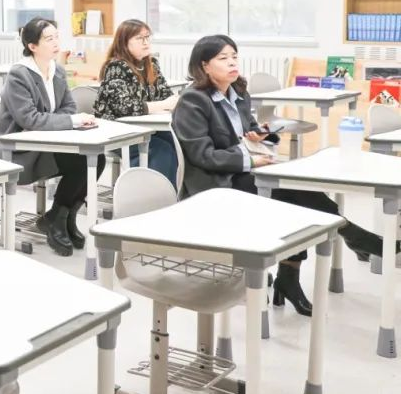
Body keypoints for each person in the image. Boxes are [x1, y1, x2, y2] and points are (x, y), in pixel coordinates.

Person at [172, 34, 395, 316]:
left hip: (244, 171)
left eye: (234, 57)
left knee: (300, 191)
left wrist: (262, 136)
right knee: (293, 195)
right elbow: (201, 155)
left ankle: (302, 268)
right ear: (204, 66)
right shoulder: (193, 101)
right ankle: (348, 237)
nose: (232, 63)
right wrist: (249, 158)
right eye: (223, 58)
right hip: (215, 183)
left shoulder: (238, 92)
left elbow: (250, 130)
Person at [0, 17, 103, 257]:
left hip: (49, 143)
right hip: (20, 151)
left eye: (57, 37)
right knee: (81, 163)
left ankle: (61, 216)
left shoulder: (58, 71)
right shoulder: (19, 75)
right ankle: (56, 218)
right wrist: (71, 122)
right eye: (49, 39)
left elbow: (68, 107)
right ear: (32, 46)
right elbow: (30, 120)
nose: (56, 43)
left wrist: (64, 120)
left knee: (97, 160)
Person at [93, 19, 179, 187]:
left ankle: (176, 194)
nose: (146, 42)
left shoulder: (151, 63)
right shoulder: (116, 67)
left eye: (148, 37)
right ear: (125, 42)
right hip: (118, 132)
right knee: (162, 150)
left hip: (147, 128)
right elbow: (126, 108)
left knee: (179, 141)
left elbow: (166, 95)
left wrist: (169, 102)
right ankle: (151, 198)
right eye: (140, 38)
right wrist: (162, 105)